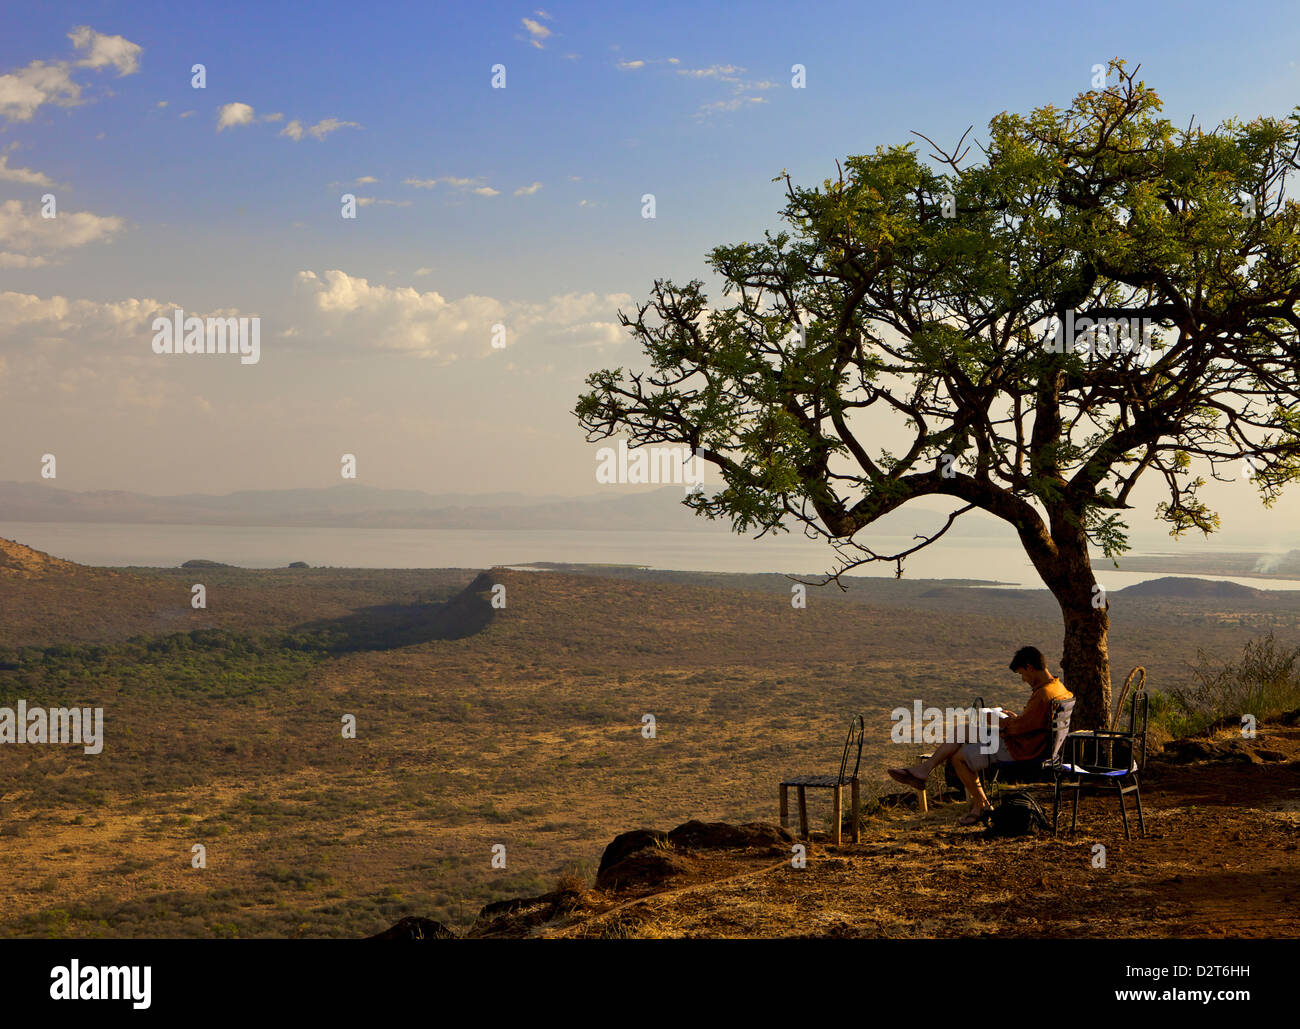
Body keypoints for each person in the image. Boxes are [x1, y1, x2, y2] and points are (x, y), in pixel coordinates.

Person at [887, 646, 1073, 826]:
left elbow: (1017, 730)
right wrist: (1016, 719)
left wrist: (998, 721)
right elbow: (1033, 722)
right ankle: (925, 771)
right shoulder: (1057, 688)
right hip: (1031, 744)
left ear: (1029, 668)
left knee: (959, 757)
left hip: (1022, 749)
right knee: (963, 732)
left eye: (1022, 674)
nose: (1023, 679)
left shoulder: (1043, 694)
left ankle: (980, 804)